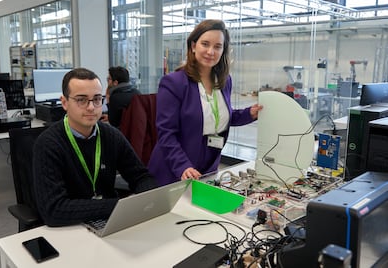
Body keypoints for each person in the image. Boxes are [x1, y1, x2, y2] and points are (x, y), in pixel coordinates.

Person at [33, 67, 157, 227]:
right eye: (81, 100)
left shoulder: (111, 135)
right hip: (69, 228)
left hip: (108, 221)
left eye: (97, 99)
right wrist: (120, 205)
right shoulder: (48, 144)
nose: (91, 107)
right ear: (64, 103)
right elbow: (54, 210)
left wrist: (148, 199)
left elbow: (141, 176)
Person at [148, 19, 263, 186]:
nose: (211, 51)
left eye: (217, 46)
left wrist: (249, 114)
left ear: (223, 51)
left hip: (208, 165)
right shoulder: (174, 82)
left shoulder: (224, 81)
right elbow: (166, 133)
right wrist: (182, 166)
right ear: (193, 46)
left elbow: (220, 118)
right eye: (205, 44)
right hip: (175, 168)